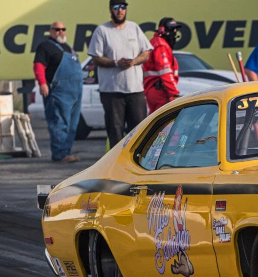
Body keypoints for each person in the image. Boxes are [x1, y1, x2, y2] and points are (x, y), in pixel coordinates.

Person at [88, 0, 153, 148]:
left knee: (139, 132)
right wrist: (117, 63)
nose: (120, 10)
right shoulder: (102, 30)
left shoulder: (134, 28)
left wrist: (134, 61)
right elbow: (96, 58)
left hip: (135, 90)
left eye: (123, 7)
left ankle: (137, 166)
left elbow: (146, 53)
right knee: (115, 133)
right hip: (112, 92)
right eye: (116, 7)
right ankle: (117, 168)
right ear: (111, 10)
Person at [33, 21, 83, 163]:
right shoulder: (45, 47)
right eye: (57, 29)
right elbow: (38, 66)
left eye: (63, 29)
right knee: (59, 122)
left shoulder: (68, 48)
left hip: (75, 91)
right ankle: (59, 154)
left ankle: (66, 151)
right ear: (51, 31)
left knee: (72, 125)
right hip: (58, 92)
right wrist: (42, 83)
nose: (60, 32)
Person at [143, 18, 182, 113]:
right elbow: (165, 72)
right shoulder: (161, 45)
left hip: (155, 89)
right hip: (160, 91)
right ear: (163, 31)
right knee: (166, 123)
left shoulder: (156, 42)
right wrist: (174, 94)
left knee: (156, 122)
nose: (175, 33)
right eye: (172, 30)